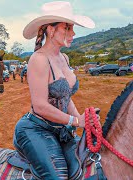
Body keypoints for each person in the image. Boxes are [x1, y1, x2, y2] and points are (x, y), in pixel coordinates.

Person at [13, 2, 100, 179]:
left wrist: (84, 120)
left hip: (62, 131)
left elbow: (66, 97)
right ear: (51, 31)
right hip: (35, 129)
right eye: (67, 27)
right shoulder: (39, 59)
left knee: (88, 163)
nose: (73, 33)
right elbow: (40, 106)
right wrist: (77, 121)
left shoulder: (64, 58)